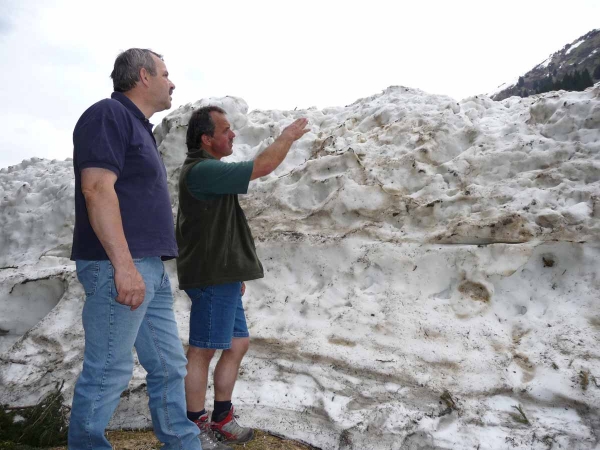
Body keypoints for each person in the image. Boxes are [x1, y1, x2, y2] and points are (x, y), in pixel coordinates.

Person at [68, 48, 207, 450]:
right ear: (144, 76)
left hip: (149, 267)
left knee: (168, 365)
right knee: (109, 367)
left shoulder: (136, 125)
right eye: (165, 73)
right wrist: (124, 267)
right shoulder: (107, 115)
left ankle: (183, 444)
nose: (172, 81)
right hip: (120, 266)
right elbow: (96, 188)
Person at [176, 106, 309, 444]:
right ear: (207, 139)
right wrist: (286, 137)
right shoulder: (201, 170)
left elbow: (219, 229)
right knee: (202, 351)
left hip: (224, 275)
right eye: (225, 130)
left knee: (237, 343)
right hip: (211, 276)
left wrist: (236, 273)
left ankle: (221, 417)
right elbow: (261, 167)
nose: (232, 134)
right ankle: (193, 427)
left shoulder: (210, 170)